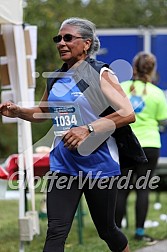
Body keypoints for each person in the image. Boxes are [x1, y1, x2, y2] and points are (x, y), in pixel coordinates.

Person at [0, 17, 139, 252]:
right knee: (55, 231)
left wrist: (88, 128)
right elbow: (43, 112)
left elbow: (127, 113)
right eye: (58, 38)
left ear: (86, 44)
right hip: (64, 164)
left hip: (99, 164)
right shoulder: (55, 78)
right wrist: (18, 111)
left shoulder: (100, 73)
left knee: (107, 230)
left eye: (68, 38)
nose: (61, 43)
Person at [115, 51, 167, 245]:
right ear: (152, 70)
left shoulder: (122, 88)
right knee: (143, 188)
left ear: (133, 68)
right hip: (150, 145)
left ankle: (117, 233)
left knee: (122, 189)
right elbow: (164, 120)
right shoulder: (157, 93)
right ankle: (139, 232)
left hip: (127, 144)